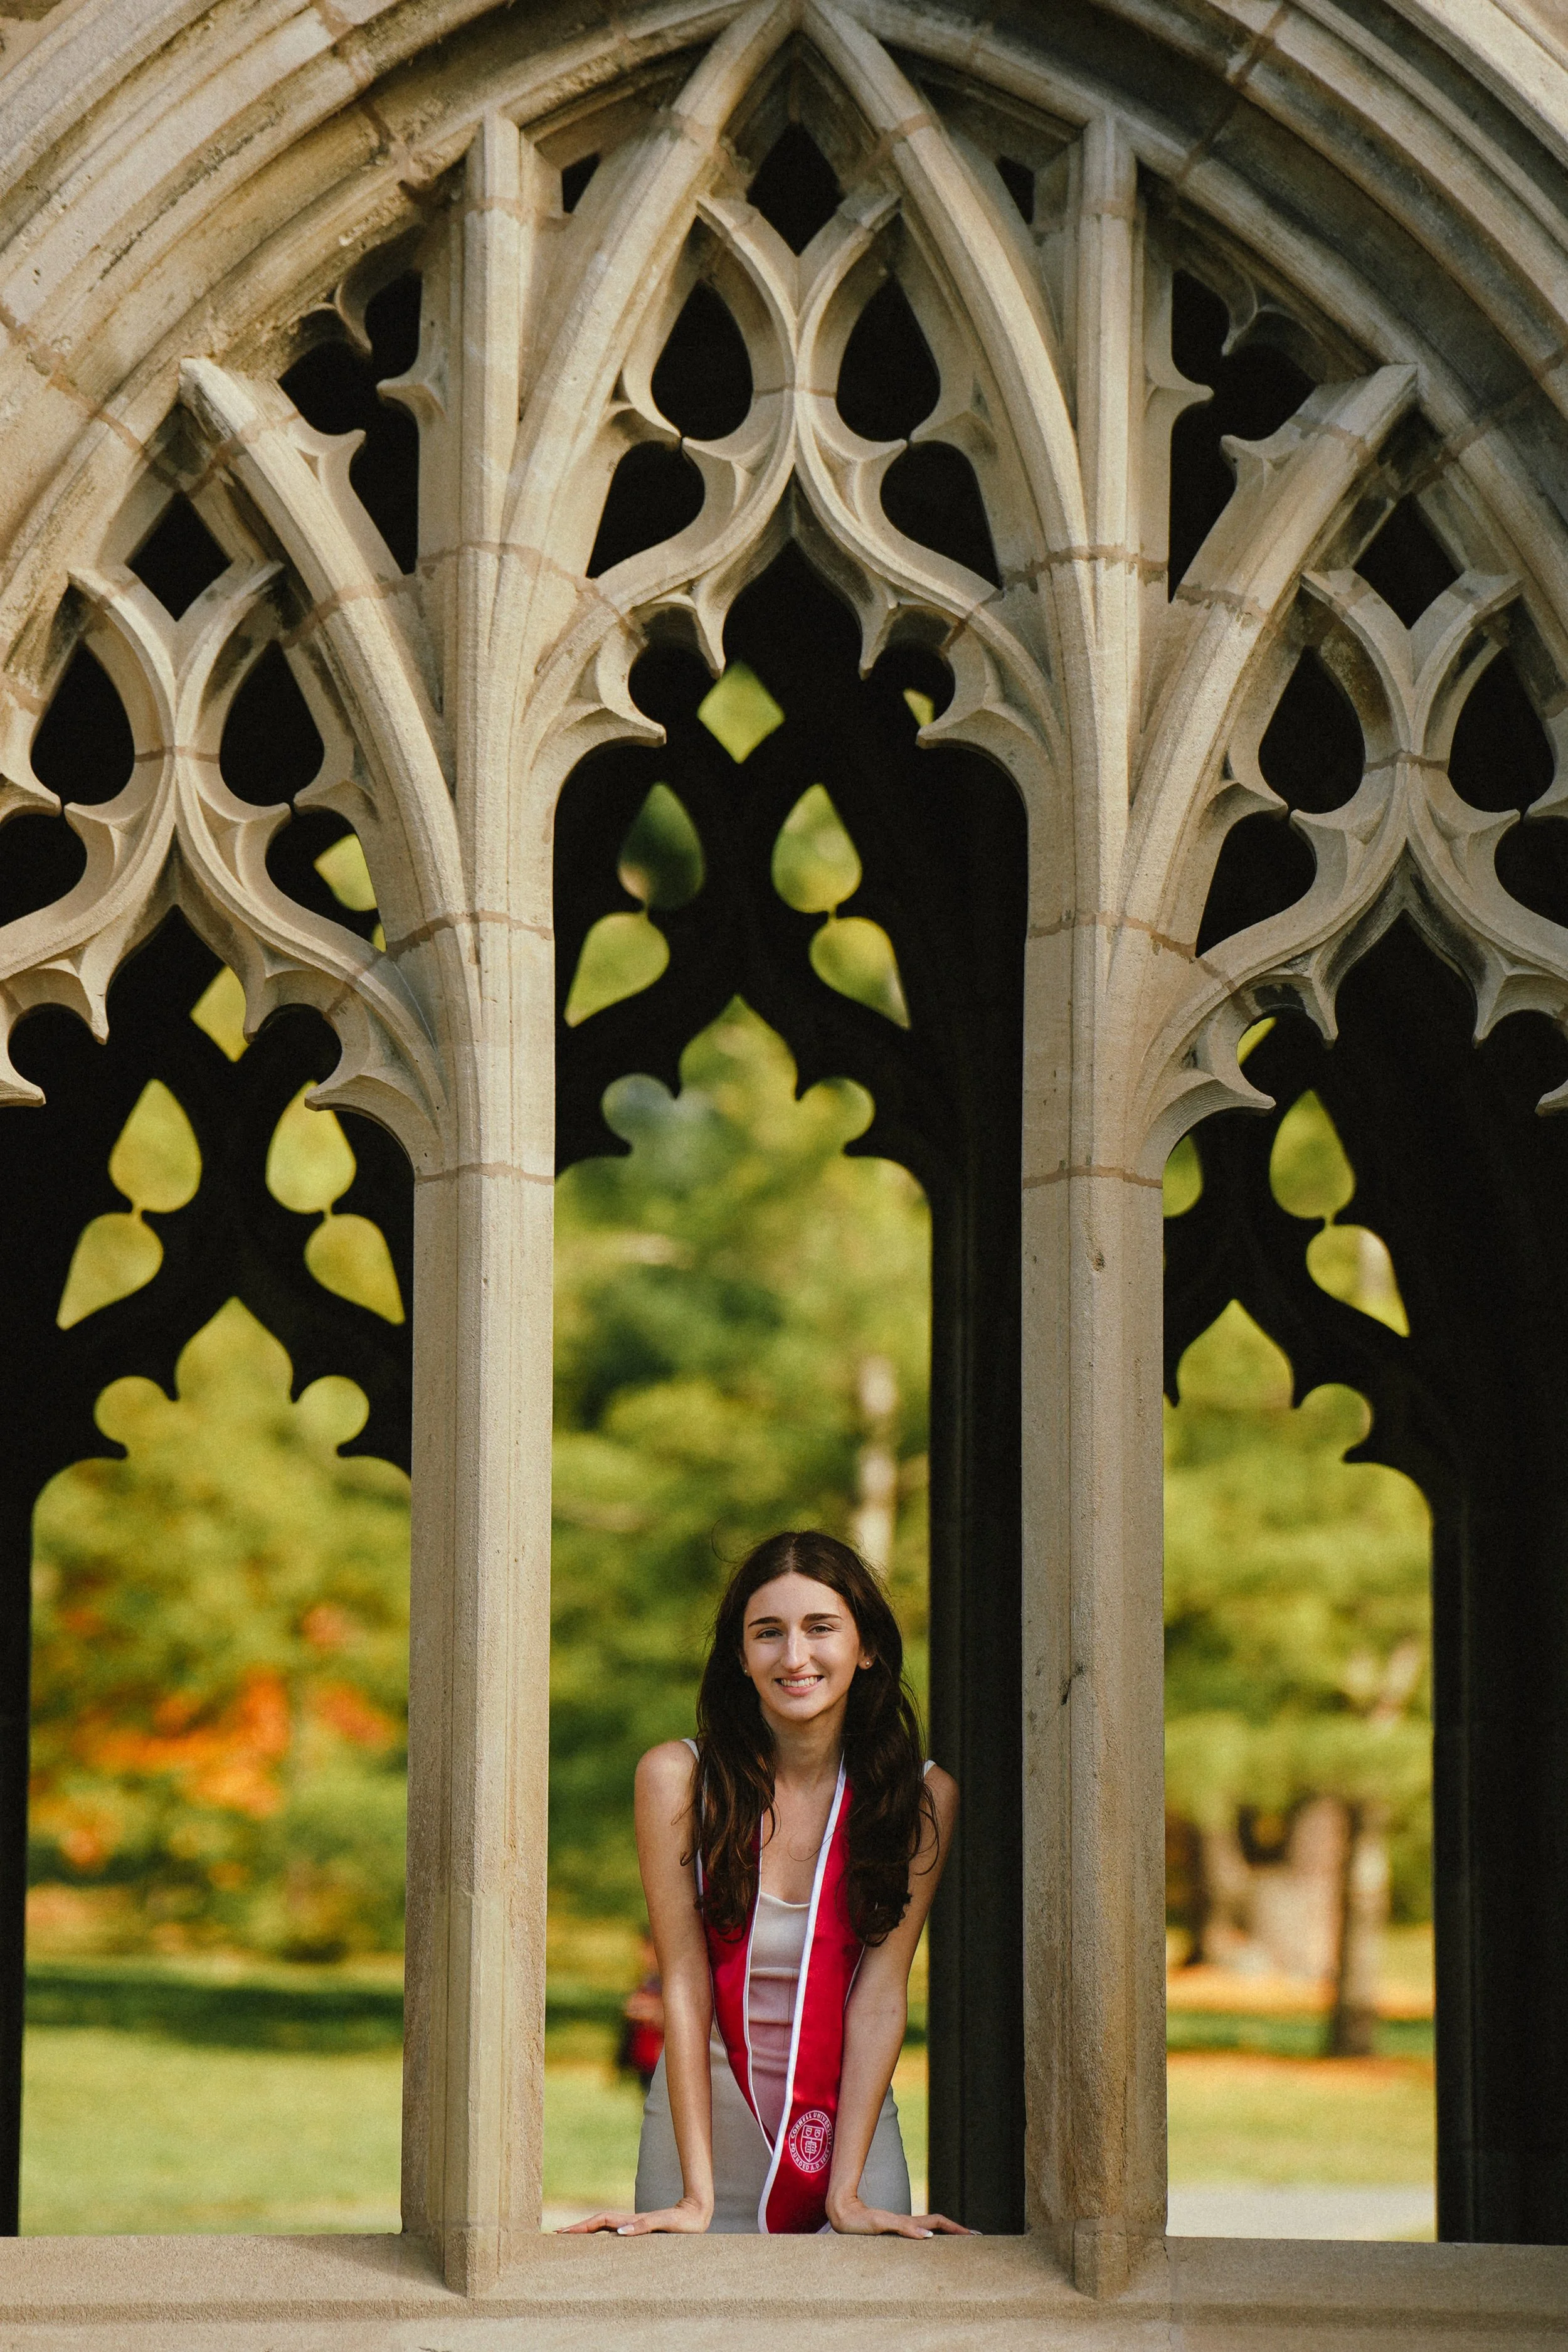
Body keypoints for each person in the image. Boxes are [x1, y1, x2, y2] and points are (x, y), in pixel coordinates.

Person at [564, 1529, 968, 2238]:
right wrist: (694, 2196)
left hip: (847, 2129)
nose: (795, 1656)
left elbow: (879, 1994)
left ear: (866, 1647)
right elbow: (683, 1983)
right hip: (701, 2132)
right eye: (767, 1633)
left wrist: (845, 2195)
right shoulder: (677, 1780)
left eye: (821, 1628)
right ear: (740, 1657)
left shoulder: (921, 1796)